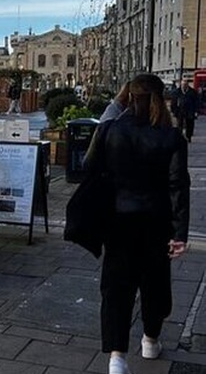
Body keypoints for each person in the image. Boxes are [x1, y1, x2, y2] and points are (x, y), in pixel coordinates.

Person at [84, 73, 189, 374]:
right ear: (161, 98)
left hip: (118, 221)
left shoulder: (112, 130)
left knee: (116, 288)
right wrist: (180, 232)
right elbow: (178, 186)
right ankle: (150, 339)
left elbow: (90, 167)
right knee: (154, 283)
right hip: (156, 224)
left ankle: (117, 357)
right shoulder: (172, 137)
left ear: (128, 97)